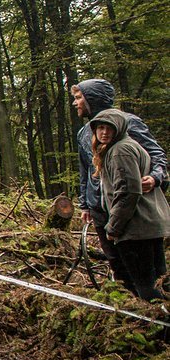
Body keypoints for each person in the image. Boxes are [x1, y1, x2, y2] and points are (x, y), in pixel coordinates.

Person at [72, 79, 167, 288]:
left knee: (151, 271)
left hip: (131, 208)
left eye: (79, 98)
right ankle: (131, 311)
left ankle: (156, 309)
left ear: (92, 98)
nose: (75, 103)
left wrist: (155, 177)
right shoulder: (84, 133)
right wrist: (85, 204)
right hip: (99, 208)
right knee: (119, 266)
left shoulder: (129, 122)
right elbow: (86, 169)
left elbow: (157, 155)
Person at [89, 109, 170, 301]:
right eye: (100, 128)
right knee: (161, 281)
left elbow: (128, 193)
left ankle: (156, 325)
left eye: (110, 128)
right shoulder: (128, 146)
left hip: (136, 229)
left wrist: (114, 227)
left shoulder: (120, 150)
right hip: (149, 225)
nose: (104, 133)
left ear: (120, 128)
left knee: (145, 285)